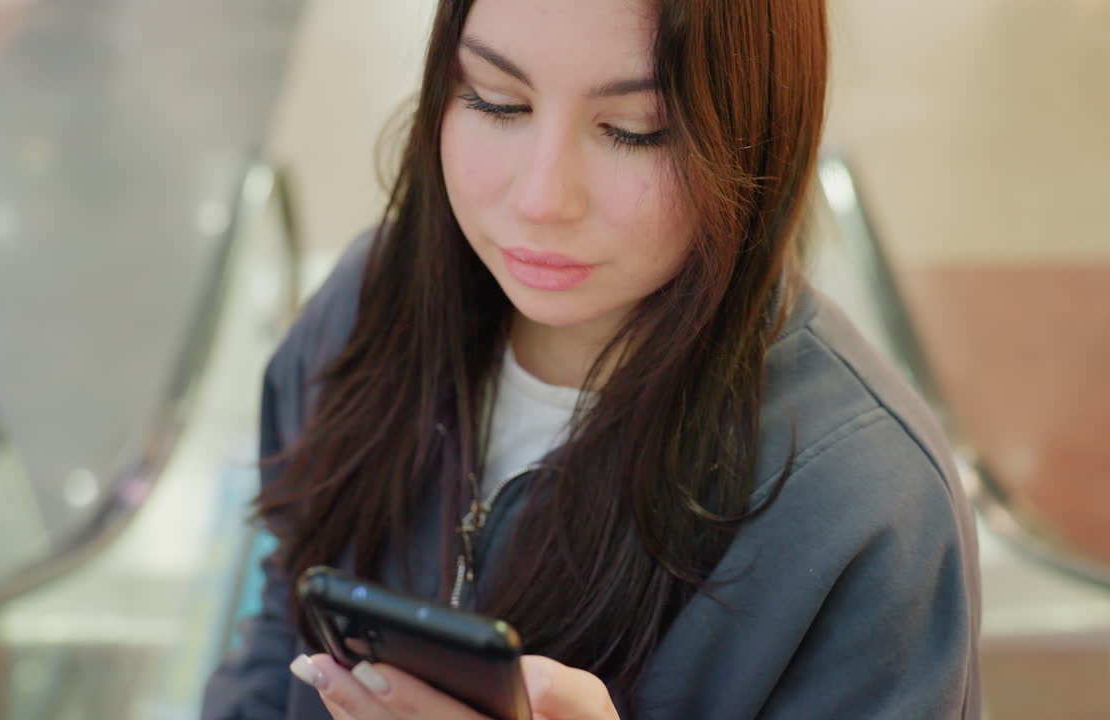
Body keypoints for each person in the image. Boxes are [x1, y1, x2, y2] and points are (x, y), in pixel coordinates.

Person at [203, 0, 982, 717]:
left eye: (636, 129)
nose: (544, 198)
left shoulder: (866, 510)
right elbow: (282, 635)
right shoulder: (362, 310)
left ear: (759, 130)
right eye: (495, 101)